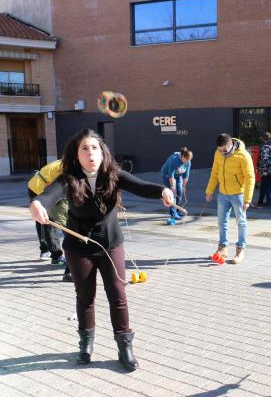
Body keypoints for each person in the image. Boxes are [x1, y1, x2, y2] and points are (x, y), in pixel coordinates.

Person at [29, 129, 175, 371]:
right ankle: (85, 345)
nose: (90, 153)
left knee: (118, 295)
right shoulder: (69, 178)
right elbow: (49, 195)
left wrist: (163, 191)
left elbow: (141, 186)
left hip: (110, 244)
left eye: (94, 148)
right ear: (76, 155)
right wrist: (36, 203)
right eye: (84, 149)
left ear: (102, 151)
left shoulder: (113, 174)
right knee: (85, 297)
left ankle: (124, 347)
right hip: (79, 247)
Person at [206, 133, 255, 264]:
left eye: (224, 150)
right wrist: (209, 190)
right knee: (222, 222)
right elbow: (214, 172)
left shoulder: (243, 155)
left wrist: (247, 199)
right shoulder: (218, 153)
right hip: (222, 194)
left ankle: (240, 250)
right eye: (219, 150)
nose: (222, 153)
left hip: (238, 194)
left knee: (241, 222)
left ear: (230, 144)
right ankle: (222, 248)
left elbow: (250, 177)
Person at [27, 159, 71, 282]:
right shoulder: (70, 166)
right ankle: (58, 257)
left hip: (35, 186)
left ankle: (48, 251)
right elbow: (62, 188)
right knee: (60, 222)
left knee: (46, 220)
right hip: (41, 189)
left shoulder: (65, 161)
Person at [160, 147, 193, 221]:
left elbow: (186, 175)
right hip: (167, 175)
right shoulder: (174, 160)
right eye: (185, 160)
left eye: (188, 160)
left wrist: (184, 186)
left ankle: (176, 211)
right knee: (173, 194)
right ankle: (173, 214)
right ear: (182, 156)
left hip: (178, 176)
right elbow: (170, 175)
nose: (186, 162)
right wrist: (172, 187)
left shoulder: (188, 163)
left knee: (180, 192)